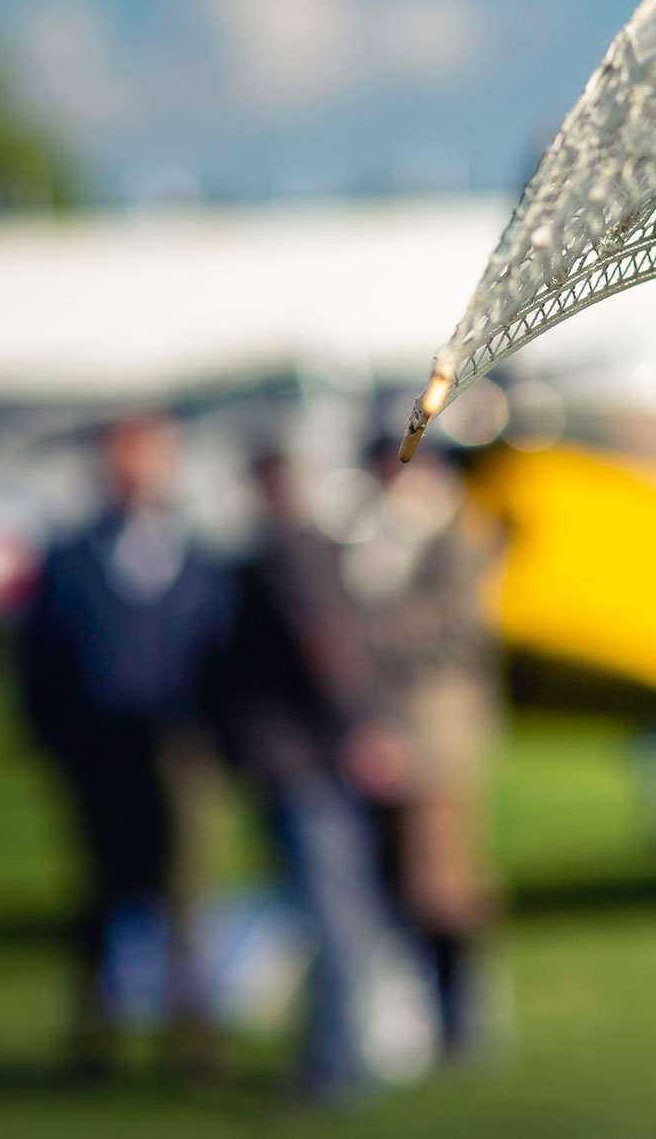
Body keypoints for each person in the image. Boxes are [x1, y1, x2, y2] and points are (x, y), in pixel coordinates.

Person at [12, 410, 233, 1080]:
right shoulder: (70, 557)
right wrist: (53, 740)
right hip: (97, 747)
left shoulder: (200, 556)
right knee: (99, 890)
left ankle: (192, 1035)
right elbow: (37, 658)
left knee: (186, 891)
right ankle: (96, 1031)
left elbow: (224, 652)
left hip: (180, 746)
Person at [217, 446, 416, 1104]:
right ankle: (348, 1053)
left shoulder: (286, 552)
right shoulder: (315, 548)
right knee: (342, 908)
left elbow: (325, 650)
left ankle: (338, 1063)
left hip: (307, 759)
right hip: (318, 753)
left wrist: (362, 728)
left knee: (332, 913)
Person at [348, 437, 502, 1064]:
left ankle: (461, 1021)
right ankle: (425, 1018)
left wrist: (369, 625)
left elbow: (456, 628)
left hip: (438, 740)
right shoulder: (385, 539)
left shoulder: (452, 538)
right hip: (392, 736)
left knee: (442, 883)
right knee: (397, 878)